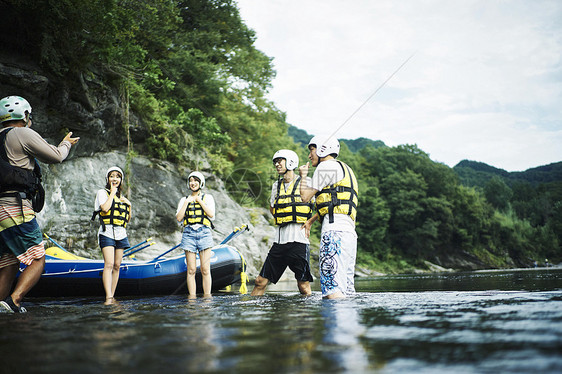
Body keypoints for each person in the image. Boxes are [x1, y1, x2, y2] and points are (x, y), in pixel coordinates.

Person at [0, 95, 79, 313]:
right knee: (37, 258)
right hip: (15, 207)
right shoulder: (21, 132)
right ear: (24, 115)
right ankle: (14, 301)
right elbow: (56, 156)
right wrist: (65, 144)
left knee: (9, 263)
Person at [299, 135, 359, 299]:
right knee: (346, 290)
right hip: (348, 236)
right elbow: (333, 203)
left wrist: (303, 176)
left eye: (312, 150)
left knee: (331, 290)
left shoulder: (326, 166)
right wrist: (311, 221)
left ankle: (335, 325)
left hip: (334, 234)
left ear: (322, 149)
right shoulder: (345, 169)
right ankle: (347, 323)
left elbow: (305, 197)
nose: (309, 155)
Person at [251, 149, 314, 296]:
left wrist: (310, 221)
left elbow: (323, 205)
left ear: (291, 162)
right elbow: (273, 208)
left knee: (303, 286)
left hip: (299, 241)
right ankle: (251, 312)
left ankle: (306, 316)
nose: (277, 164)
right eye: (275, 162)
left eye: (280, 161)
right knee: (260, 281)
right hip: (279, 243)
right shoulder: (275, 186)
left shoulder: (307, 182)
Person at [92, 166, 132, 305]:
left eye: (118, 176)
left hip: (121, 233)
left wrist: (129, 205)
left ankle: (112, 295)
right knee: (108, 264)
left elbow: (127, 219)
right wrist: (113, 193)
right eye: (112, 176)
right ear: (107, 179)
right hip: (107, 231)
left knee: (117, 265)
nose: (115, 179)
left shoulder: (122, 197)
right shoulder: (102, 193)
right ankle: (108, 297)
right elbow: (104, 208)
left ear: (121, 180)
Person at [175, 171, 215, 298]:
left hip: (204, 233)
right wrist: (187, 202)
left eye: (195, 180)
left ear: (201, 183)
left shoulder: (208, 198)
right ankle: (192, 299)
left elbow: (211, 214)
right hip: (188, 234)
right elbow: (179, 218)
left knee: (205, 269)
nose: (193, 183)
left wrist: (199, 201)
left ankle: (207, 298)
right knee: (191, 270)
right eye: (191, 181)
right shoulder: (183, 200)